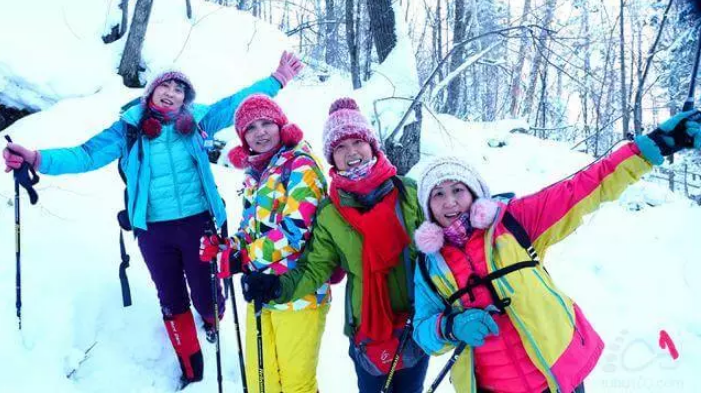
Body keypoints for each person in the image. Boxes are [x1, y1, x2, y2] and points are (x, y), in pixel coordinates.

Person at [2, 51, 303, 388]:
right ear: (152, 91)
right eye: (166, 85)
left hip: (199, 223)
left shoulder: (197, 122)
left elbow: (237, 104)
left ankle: (211, 318)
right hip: (153, 231)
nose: (172, 93)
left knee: (207, 296)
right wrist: (38, 159)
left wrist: (277, 79)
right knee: (171, 297)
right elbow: (86, 154)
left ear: (185, 100)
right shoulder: (129, 129)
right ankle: (192, 370)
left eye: (180, 89)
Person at [410, 111, 701, 393]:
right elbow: (422, 330)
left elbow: (585, 187)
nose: (450, 202)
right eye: (438, 194)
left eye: (457, 190)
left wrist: (653, 146)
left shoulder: (512, 221)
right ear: (428, 206)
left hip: (558, 380)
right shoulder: (429, 266)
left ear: (474, 193)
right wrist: (450, 326)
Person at [240, 97, 430, 393]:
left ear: (372, 146)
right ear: (331, 157)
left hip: (414, 323)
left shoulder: (408, 193)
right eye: (340, 147)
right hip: (367, 328)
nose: (351, 152)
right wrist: (277, 287)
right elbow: (315, 268)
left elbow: (439, 248)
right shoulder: (331, 212)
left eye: (357, 142)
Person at [198, 94, 330, 393]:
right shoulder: (257, 174)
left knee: (296, 385)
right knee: (262, 381)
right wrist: (226, 248)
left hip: (299, 292)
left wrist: (241, 259)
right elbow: (251, 230)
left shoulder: (301, 165)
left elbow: (295, 231)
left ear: (280, 124)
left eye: (266, 122)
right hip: (260, 287)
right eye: (251, 128)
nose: (260, 132)